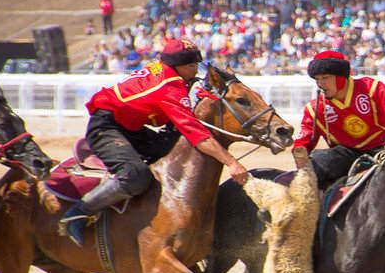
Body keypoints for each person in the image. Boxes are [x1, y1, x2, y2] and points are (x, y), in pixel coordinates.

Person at [60, 38, 248, 246]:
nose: (196, 72)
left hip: (128, 126)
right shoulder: (170, 86)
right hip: (106, 127)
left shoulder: (162, 69)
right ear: (177, 67)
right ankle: (78, 214)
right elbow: (196, 133)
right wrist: (231, 162)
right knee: (134, 175)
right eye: (192, 66)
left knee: (174, 148)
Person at [292, 50, 385, 237]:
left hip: (383, 150)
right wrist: (300, 154)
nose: (320, 84)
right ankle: (304, 220)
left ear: (341, 77)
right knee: (316, 162)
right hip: (346, 152)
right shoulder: (316, 108)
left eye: (325, 78)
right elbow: (302, 140)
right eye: (317, 79)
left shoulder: (372, 89)